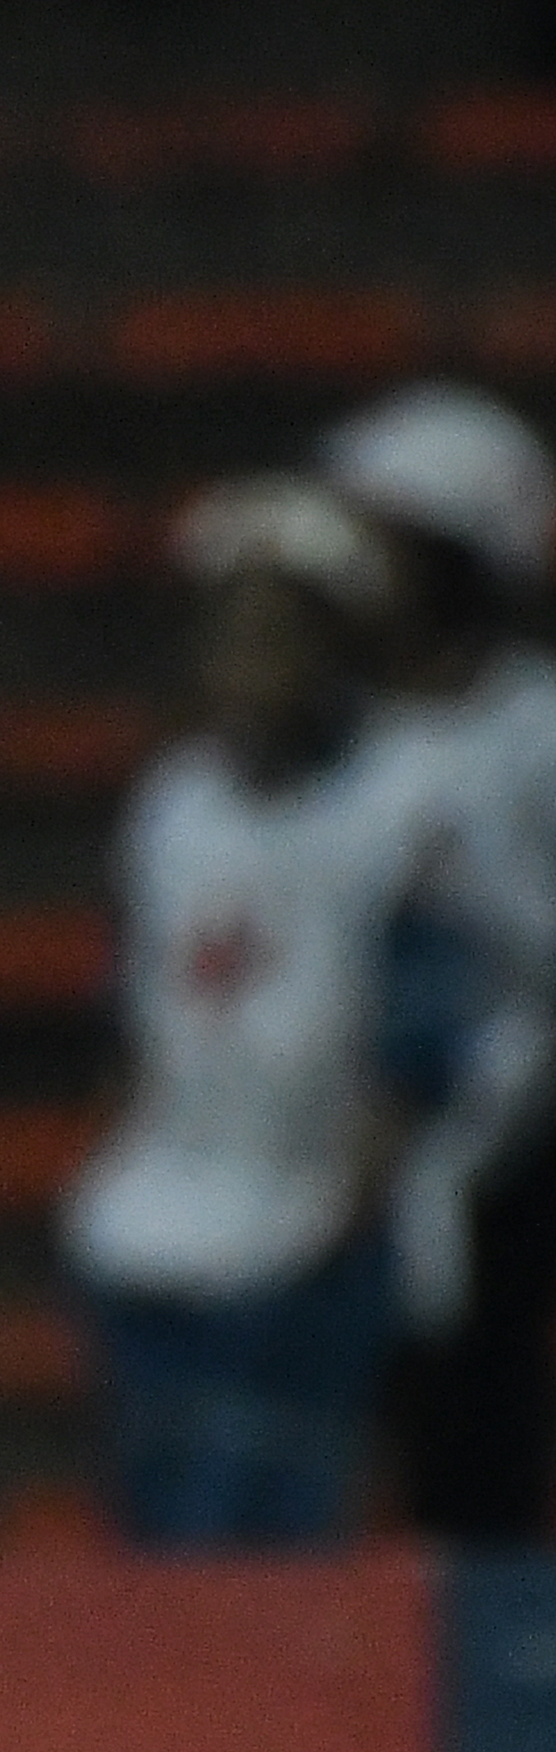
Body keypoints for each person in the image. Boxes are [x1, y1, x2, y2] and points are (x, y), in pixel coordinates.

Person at [64, 479, 535, 1547]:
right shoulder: (173, 805)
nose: (253, 668)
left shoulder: (404, 805)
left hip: (308, 1235)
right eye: (233, 639)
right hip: (160, 1220)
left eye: (280, 638)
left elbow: (422, 1042)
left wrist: (352, 1217)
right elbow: (133, 1013)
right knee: (154, 1537)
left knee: (276, 1541)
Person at [321, 384, 556, 1541]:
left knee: (481, 1447)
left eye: (386, 542)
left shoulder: (534, 731)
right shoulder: (341, 735)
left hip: (504, 1139)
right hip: (337, 1139)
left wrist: (468, 895)